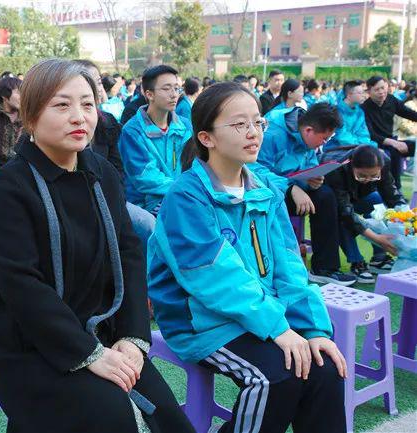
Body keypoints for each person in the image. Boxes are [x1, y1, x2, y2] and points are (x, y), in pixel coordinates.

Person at [0, 58, 194, 433]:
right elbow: (21, 285)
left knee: (169, 418)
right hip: (32, 346)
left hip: (104, 332)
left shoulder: (102, 173)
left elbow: (129, 255)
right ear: (31, 116)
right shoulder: (9, 187)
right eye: (62, 105)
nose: (79, 117)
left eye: (87, 104)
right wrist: (88, 353)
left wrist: (132, 338)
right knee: (110, 414)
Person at [148, 81, 347, 433]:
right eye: (240, 124)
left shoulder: (264, 190)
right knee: (276, 377)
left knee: (324, 367)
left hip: (258, 313)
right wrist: (278, 328)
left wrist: (312, 329)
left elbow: (289, 266)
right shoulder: (187, 197)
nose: (253, 132)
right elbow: (215, 278)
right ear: (206, 137)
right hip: (202, 322)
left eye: (257, 122)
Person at [253, 103, 356, 286]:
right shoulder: (271, 133)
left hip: (293, 186)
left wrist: (313, 179)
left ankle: (324, 268)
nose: (324, 144)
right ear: (308, 130)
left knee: (325, 195)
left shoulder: (307, 135)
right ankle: (282, 266)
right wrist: (290, 188)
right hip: (265, 191)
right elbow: (255, 169)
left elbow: (310, 163)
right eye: (324, 139)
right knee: (307, 197)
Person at [74, 58, 157, 252]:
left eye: (97, 81)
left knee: (146, 224)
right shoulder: (68, 124)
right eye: (87, 80)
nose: (96, 87)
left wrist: (113, 199)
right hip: (76, 201)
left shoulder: (107, 123)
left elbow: (117, 169)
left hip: (109, 196)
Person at [118, 65, 192, 216]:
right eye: (166, 89)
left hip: (181, 196)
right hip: (148, 204)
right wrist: (184, 190)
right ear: (149, 94)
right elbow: (145, 177)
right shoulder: (133, 131)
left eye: (176, 88)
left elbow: (195, 163)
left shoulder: (185, 126)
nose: (174, 94)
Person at [325, 146, 405, 281]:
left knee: (376, 200)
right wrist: (376, 238)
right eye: (361, 176)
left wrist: (406, 214)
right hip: (330, 200)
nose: (368, 180)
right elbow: (345, 211)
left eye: (374, 176)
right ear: (351, 166)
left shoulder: (384, 161)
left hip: (357, 195)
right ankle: (356, 262)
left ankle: (379, 258)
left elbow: (391, 191)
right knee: (342, 218)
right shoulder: (336, 168)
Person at [362, 75, 417, 190]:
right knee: (394, 153)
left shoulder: (391, 100)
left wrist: (395, 143)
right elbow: (371, 135)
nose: (381, 92)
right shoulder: (364, 108)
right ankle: (397, 190)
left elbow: (409, 113)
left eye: (383, 88)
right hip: (375, 144)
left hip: (393, 141)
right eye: (377, 89)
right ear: (369, 92)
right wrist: (394, 143)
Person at [322, 80, 376, 163]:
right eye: (360, 93)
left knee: (382, 157)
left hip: (356, 147)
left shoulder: (360, 112)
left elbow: (363, 134)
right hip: (335, 149)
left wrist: (364, 145)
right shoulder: (336, 112)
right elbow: (341, 137)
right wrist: (360, 145)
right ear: (349, 95)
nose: (364, 95)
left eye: (363, 92)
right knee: (363, 159)